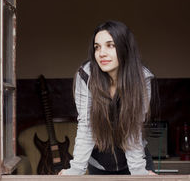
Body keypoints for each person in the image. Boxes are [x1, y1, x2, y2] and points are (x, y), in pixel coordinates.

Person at [59, 20, 156, 175]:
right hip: (99, 166)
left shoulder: (142, 78)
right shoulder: (86, 76)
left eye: (110, 45)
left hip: (136, 162)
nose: (101, 53)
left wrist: (139, 172)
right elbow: (86, 125)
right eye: (97, 47)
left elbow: (134, 127)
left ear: (125, 48)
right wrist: (76, 170)